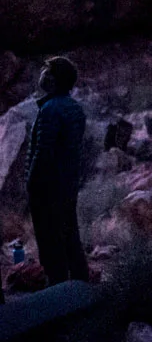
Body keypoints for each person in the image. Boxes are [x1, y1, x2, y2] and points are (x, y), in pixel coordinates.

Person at [24, 57, 89, 285]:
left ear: (54, 78)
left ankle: (58, 291)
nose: (43, 73)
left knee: (50, 243)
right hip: (68, 185)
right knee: (71, 238)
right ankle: (80, 288)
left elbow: (43, 152)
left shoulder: (50, 110)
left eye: (47, 70)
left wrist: (31, 183)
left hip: (48, 189)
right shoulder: (74, 108)